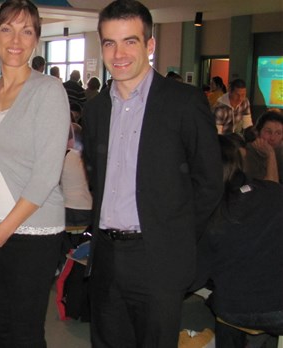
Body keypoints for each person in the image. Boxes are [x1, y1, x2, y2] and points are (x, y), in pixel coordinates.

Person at [81, 1, 223, 347]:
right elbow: (93, 175)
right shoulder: (96, 109)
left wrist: (174, 236)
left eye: (130, 41)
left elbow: (209, 182)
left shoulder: (183, 103)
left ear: (150, 45)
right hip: (107, 258)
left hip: (158, 258)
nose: (119, 53)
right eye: (109, 43)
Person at [0, 1, 70, 346]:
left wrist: (2, 232)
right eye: (7, 28)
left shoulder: (48, 91)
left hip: (32, 230)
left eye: (26, 31)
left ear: (36, 40)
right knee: (2, 326)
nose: (16, 39)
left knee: (26, 331)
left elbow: (46, 175)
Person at [195, 135, 283, 348]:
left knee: (225, 300)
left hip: (233, 311)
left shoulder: (209, 212)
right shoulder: (272, 192)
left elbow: (196, 278)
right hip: (279, 310)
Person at [244, 109, 283, 183]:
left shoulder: (280, 150)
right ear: (257, 133)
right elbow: (269, 188)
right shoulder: (247, 153)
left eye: (278, 133)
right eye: (268, 132)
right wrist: (271, 154)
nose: (272, 138)